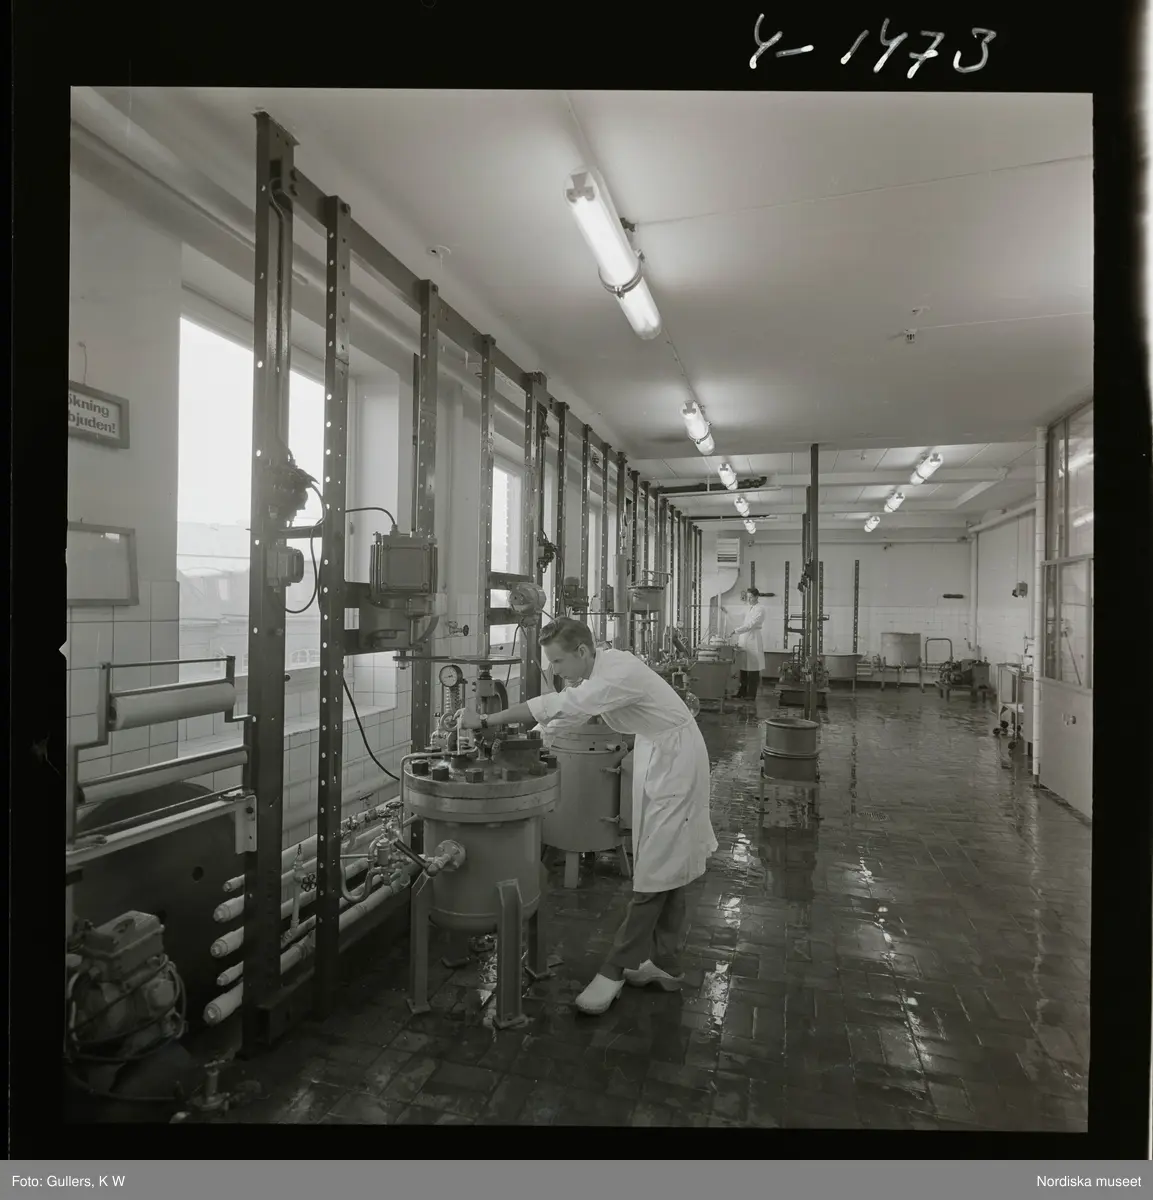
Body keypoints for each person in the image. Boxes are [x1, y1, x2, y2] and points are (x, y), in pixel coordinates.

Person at [456, 616, 716, 1016]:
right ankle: (662, 960)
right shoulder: (599, 672)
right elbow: (567, 713)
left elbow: (562, 704)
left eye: (559, 662)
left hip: (677, 760)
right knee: (665, 860)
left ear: (581, 651)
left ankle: (615, 969)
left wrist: (488, 720)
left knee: (657, 868)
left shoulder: (615, 673)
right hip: (658, 752)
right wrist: (531, 736)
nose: (556, 671)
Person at [732, 587, 766, 701]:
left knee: (753, 668)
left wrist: (736, 631)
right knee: (743, 667)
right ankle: (742, 692)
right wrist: (726, 612)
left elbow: (751, 624)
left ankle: (751, 694)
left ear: (756, 597)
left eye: (751, 597)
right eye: (748, 597)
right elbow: (740, 618)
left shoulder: (760, 609)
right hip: (744, 639)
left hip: (753, 639)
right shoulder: (749, 608)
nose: (749, 599)